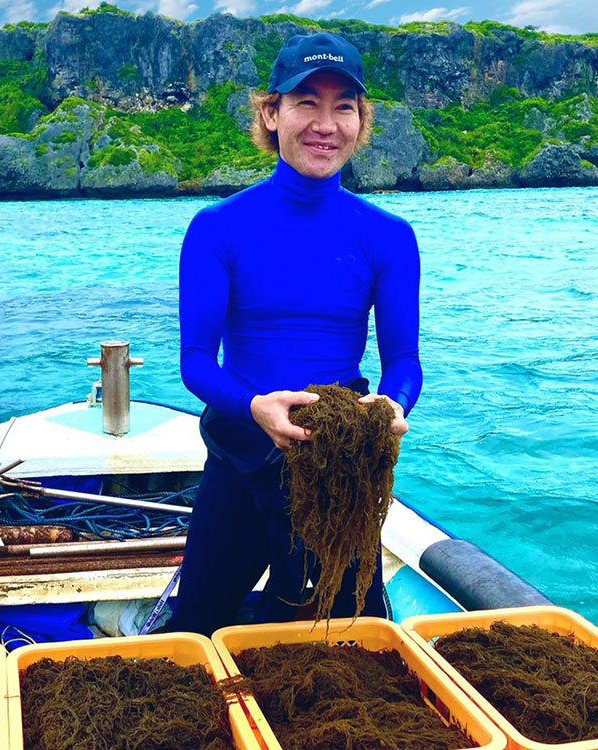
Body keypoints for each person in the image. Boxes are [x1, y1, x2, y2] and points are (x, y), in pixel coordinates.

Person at [167, 32, 422, 636]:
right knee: (195, 625)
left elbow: (404, 362)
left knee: (350, 636)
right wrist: (254, 406)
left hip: (340, 459)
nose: (325, 125)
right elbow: (196, 361)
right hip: (241, 449)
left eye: (343, 107)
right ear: (271, 113)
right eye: (306, 102)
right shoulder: (218, 227)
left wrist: (393, 404)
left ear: (361, 121)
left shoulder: (389, 236)